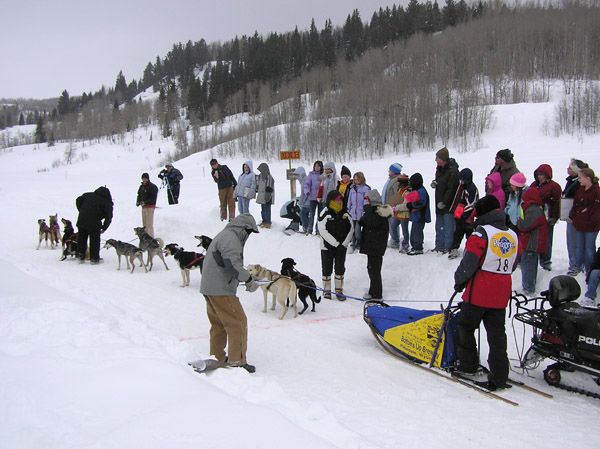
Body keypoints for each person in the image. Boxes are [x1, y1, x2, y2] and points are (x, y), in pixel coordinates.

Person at [453, 195, 519, 391]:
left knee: (465, 327)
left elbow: (469, 263)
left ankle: (468, 365)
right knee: (497, 335)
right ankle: (500, 374)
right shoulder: (512, 234)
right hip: (501, 295)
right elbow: (514, 262)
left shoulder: (481, 234)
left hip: (478, 293)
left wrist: (459, 282)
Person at [199, 214, 260, 373]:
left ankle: (217, 357)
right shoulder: (231, 239)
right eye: (249, 232)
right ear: (243, 228)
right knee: (238, 322)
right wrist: (248, 280)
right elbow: (233, 265)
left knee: (219, 324)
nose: (248, 236)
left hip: (210, 287)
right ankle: (237, 362)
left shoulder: (225, 235)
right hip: (220, 290)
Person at [317, 190, 354, 300]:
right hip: (327, 247)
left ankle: (339, 290)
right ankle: (326, 290)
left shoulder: (345, 213)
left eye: (340, 199)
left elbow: (351, 229)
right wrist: (335, 243)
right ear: (331, 200)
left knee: (340, 268)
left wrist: (344, 244)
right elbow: (322, 230)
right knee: (326, 269)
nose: (340, 201)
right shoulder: (325, 213)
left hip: (341, 247)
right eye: (337, 199)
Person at [359, 190, 392, 300]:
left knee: (374, 270)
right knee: (372, 269)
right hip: (375, 246)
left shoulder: (376, 213)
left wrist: (367, 210)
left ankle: (377, 294)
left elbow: (365, 221)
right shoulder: (378, 212)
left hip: (375, 246)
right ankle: (373, 291)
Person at [530, 164, 562, 271]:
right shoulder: (534, 185)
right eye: (538, 174)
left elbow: (557, 203)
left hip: (548, 217)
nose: (540, 177)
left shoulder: (554, 187)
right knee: (535, 239)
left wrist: (555, 217)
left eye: (542, 175)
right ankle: (535, 258)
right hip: (534, 216)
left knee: (547, 240)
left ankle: (546, 260)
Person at [518, 187, 548, 296]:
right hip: (531, 242)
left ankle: (528, 289)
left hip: (532, 243)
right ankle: (527, 286)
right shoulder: (533, 207)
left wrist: (519, 221)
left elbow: (525, 225)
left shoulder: (533, 209)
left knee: (528, 265)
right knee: (527, 264)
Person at [570, 167, 600, 275]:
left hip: (591, 227)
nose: (579, 180)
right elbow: (575, 206)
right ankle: (578, 268)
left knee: (589, 249)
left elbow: (596, 211)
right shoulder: (579, 191)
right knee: (578, 248)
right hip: (579, 225)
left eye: (581, 178)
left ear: (588, 178)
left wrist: (588, 219)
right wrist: (573, 216)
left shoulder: (596, 192)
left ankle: (590, 270)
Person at [562, 159, 589, 276]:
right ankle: (575, 264)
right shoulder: (571, 181)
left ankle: (576, 266)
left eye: (570, 167)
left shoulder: (578, 183)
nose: (567, 169)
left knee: (575, 242)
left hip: (575, 216)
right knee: (571, 242)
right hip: (570, 215)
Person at [432, 147, 460, 254]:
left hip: (448, 205)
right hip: (438, 202)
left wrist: (444, 202)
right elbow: (442, 182)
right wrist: (435, 183)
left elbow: (451, 188)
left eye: (437, 158)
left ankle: (447, 247)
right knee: (439, 226)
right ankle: (439, 246)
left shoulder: (453, 171)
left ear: (443, 159)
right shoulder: (439, 169)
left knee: (448, 227)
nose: (436, 160)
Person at [75, 186, 113, 264]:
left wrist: (82, 210)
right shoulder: (106, 202)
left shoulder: (87, 195)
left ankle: (80, 257)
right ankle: (94, 259)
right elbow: (109, 216)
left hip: (82, 220)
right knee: (95, 241)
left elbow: (78, 200)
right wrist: (104, 227)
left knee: (81, 239)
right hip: (95, 223)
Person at [448, 168, 479, 259]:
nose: (460, 181)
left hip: (468, 216)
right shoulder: (464, 187)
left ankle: (470, 251)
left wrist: (463, 213)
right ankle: (454, 249)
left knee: (469, 234)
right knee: (458, 233)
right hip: (461, 215)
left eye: (462, 179)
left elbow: (472, 204)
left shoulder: (471, 188)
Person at [406, 172, 430, 255]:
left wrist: (411, 205)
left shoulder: (421, 191)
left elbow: (421, 203)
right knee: (414, 232)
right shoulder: (417, 190)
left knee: (417, 232)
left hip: (420, 216)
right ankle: (415, 246)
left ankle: (418, 248)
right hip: (416, 216)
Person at [346, 171, 371, 252]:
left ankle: (359, 243)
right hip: (352, 213)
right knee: (352, 230)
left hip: (360, 213)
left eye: (357, 179)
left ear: (361, 179)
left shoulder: (365, 189)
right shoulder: (352, 188)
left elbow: (366, 201)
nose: (356, 181)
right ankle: (353, 243)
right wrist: (348, 209)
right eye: (355, 179)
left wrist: (365, 210)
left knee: (357, 231)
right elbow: (349, 200)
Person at [381, 162, 403, 248]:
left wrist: (393, 205)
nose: (388, 172)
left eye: (390, 170)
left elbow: (398, 195)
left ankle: (395, 241)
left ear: (394, 171)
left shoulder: (396, 181)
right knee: (390, 224)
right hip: (388, 206)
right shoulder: (390, 179)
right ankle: (393, 239)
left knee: (393, 224)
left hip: (392, 207)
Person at [303, 160, 324, 235]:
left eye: (318, 166)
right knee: (312, 214)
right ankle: (309, 230)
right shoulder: (311, 174)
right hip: (312, 198)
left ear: (321, 167)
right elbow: (306, 184)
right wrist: (307, 191)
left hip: (321, 199)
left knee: (320, 215)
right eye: (315, 166)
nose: (317, 167)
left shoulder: (323, 175)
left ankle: (318, 230)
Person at [136, 172, 158, 237]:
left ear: (148, 179)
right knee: (144, 224)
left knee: (149, 224)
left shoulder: (152, 187)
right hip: (143, 207)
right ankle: (145, 238)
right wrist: (138, 201)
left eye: (145, 178)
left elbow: (153, 197)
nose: (144, 180)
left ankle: (151, 238)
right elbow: (139, 195)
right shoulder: (141, 187)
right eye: (143, 178)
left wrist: (145, 202)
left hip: (150, 207)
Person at [256, 162, 274, 228]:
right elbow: (258, 185)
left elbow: (269, 188)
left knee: (267, 210)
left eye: (261, 170)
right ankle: (264, 221)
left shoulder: (269, 177)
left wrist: (267, 196)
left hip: (268, 197)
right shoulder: (261, 176)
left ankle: (268, 222)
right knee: (263, 209)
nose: (261, 171)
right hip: (262, 197)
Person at [293, 166, 310, 233]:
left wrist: (300, 202)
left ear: (301, 174)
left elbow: (305, 193)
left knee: (303, 214)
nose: (297, 177)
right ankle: (307, 228)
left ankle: (307, 229)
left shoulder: (305, 181)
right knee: (304, 215)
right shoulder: (304, 180)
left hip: (307, 202)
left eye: (297, 175)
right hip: (306, 201)